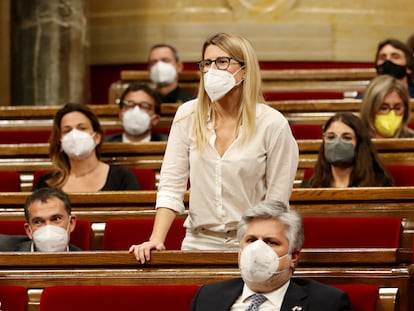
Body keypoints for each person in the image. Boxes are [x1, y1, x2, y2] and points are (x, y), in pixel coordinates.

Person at [129, 33, 299, 263]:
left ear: (245, 69)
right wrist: (156, 238)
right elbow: (171, 185)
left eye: (222, 62)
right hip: (197, 241)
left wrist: (257, 247)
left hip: (251, 243)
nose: (212, 70)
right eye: (207, 64)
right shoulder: (187, 115)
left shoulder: (272, 124)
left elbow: (276, 202)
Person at [190, 200, 353, 311]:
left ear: (294, 256)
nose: (257, 249)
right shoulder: (207, 297)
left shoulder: (327, 303)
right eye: (251, 240)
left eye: (270, 242)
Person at [33, 103, 140, 192]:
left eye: (82, 128)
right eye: (67, 130)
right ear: (60, 142)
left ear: (97, 137)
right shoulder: (46, 183)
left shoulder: (123, 178)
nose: (75, 134)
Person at [301, 112, 393, 188]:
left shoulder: (380, 185)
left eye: (347, 138)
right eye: (331, 137)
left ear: (359, 144)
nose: (337, 143)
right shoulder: (310, 187)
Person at [0, 188, 80, 252]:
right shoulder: (6, 252)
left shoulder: (85, 262)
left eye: (56, 219)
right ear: (29, 230)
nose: (48, 228)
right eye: (38, 222)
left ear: (71, 223)